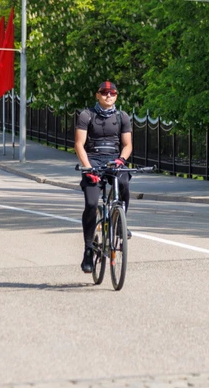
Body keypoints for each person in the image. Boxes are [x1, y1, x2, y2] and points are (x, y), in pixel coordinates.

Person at [74, 81, 133, 274]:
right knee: (91, 204)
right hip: (93, 159)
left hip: (114, 160)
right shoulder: (86, 115)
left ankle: (120, 224)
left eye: (112, 93)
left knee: (124, 183)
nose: (109, 95)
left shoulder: (122, 116)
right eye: (104, 92)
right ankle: (89, 249)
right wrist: (88, 167)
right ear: (97, 95)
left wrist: (121, 160)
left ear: (116, 96)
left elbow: (127, 145)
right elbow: (79, 144)